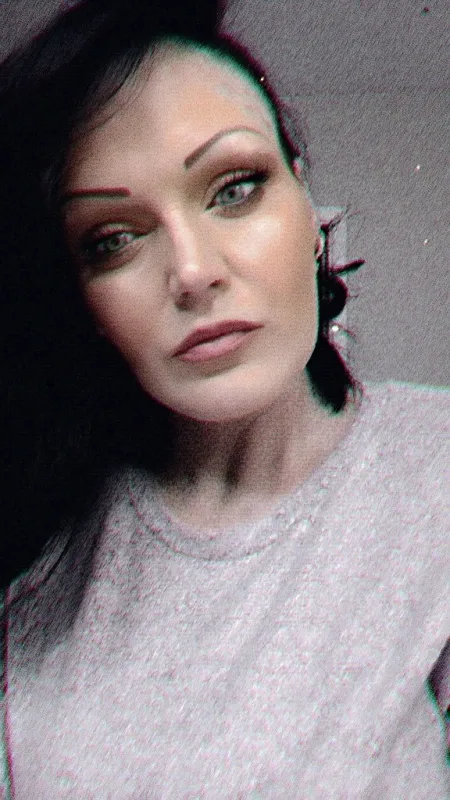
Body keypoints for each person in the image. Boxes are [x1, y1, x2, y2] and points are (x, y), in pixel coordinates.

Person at [0, 1, 448, 796]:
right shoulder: (43, 541)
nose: (193, 271)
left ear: (307, 207)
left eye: (234, 188)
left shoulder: (433, 475)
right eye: (114, 239)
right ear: (83, 299)